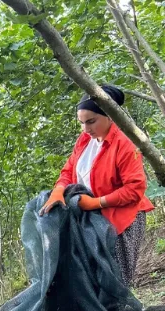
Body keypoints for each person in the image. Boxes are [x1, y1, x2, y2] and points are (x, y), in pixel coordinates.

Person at [40, 84, 155, 287]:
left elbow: (134, 189)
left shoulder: (124, 143)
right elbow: (68, 171)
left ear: (109, 115)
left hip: (123, 220)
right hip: (94, 221)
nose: (86, 129)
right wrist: (59, 190)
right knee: (90, 280)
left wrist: (94, 203)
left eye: (91, 122)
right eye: (82, 123)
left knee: (114, 280)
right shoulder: (84, 140)